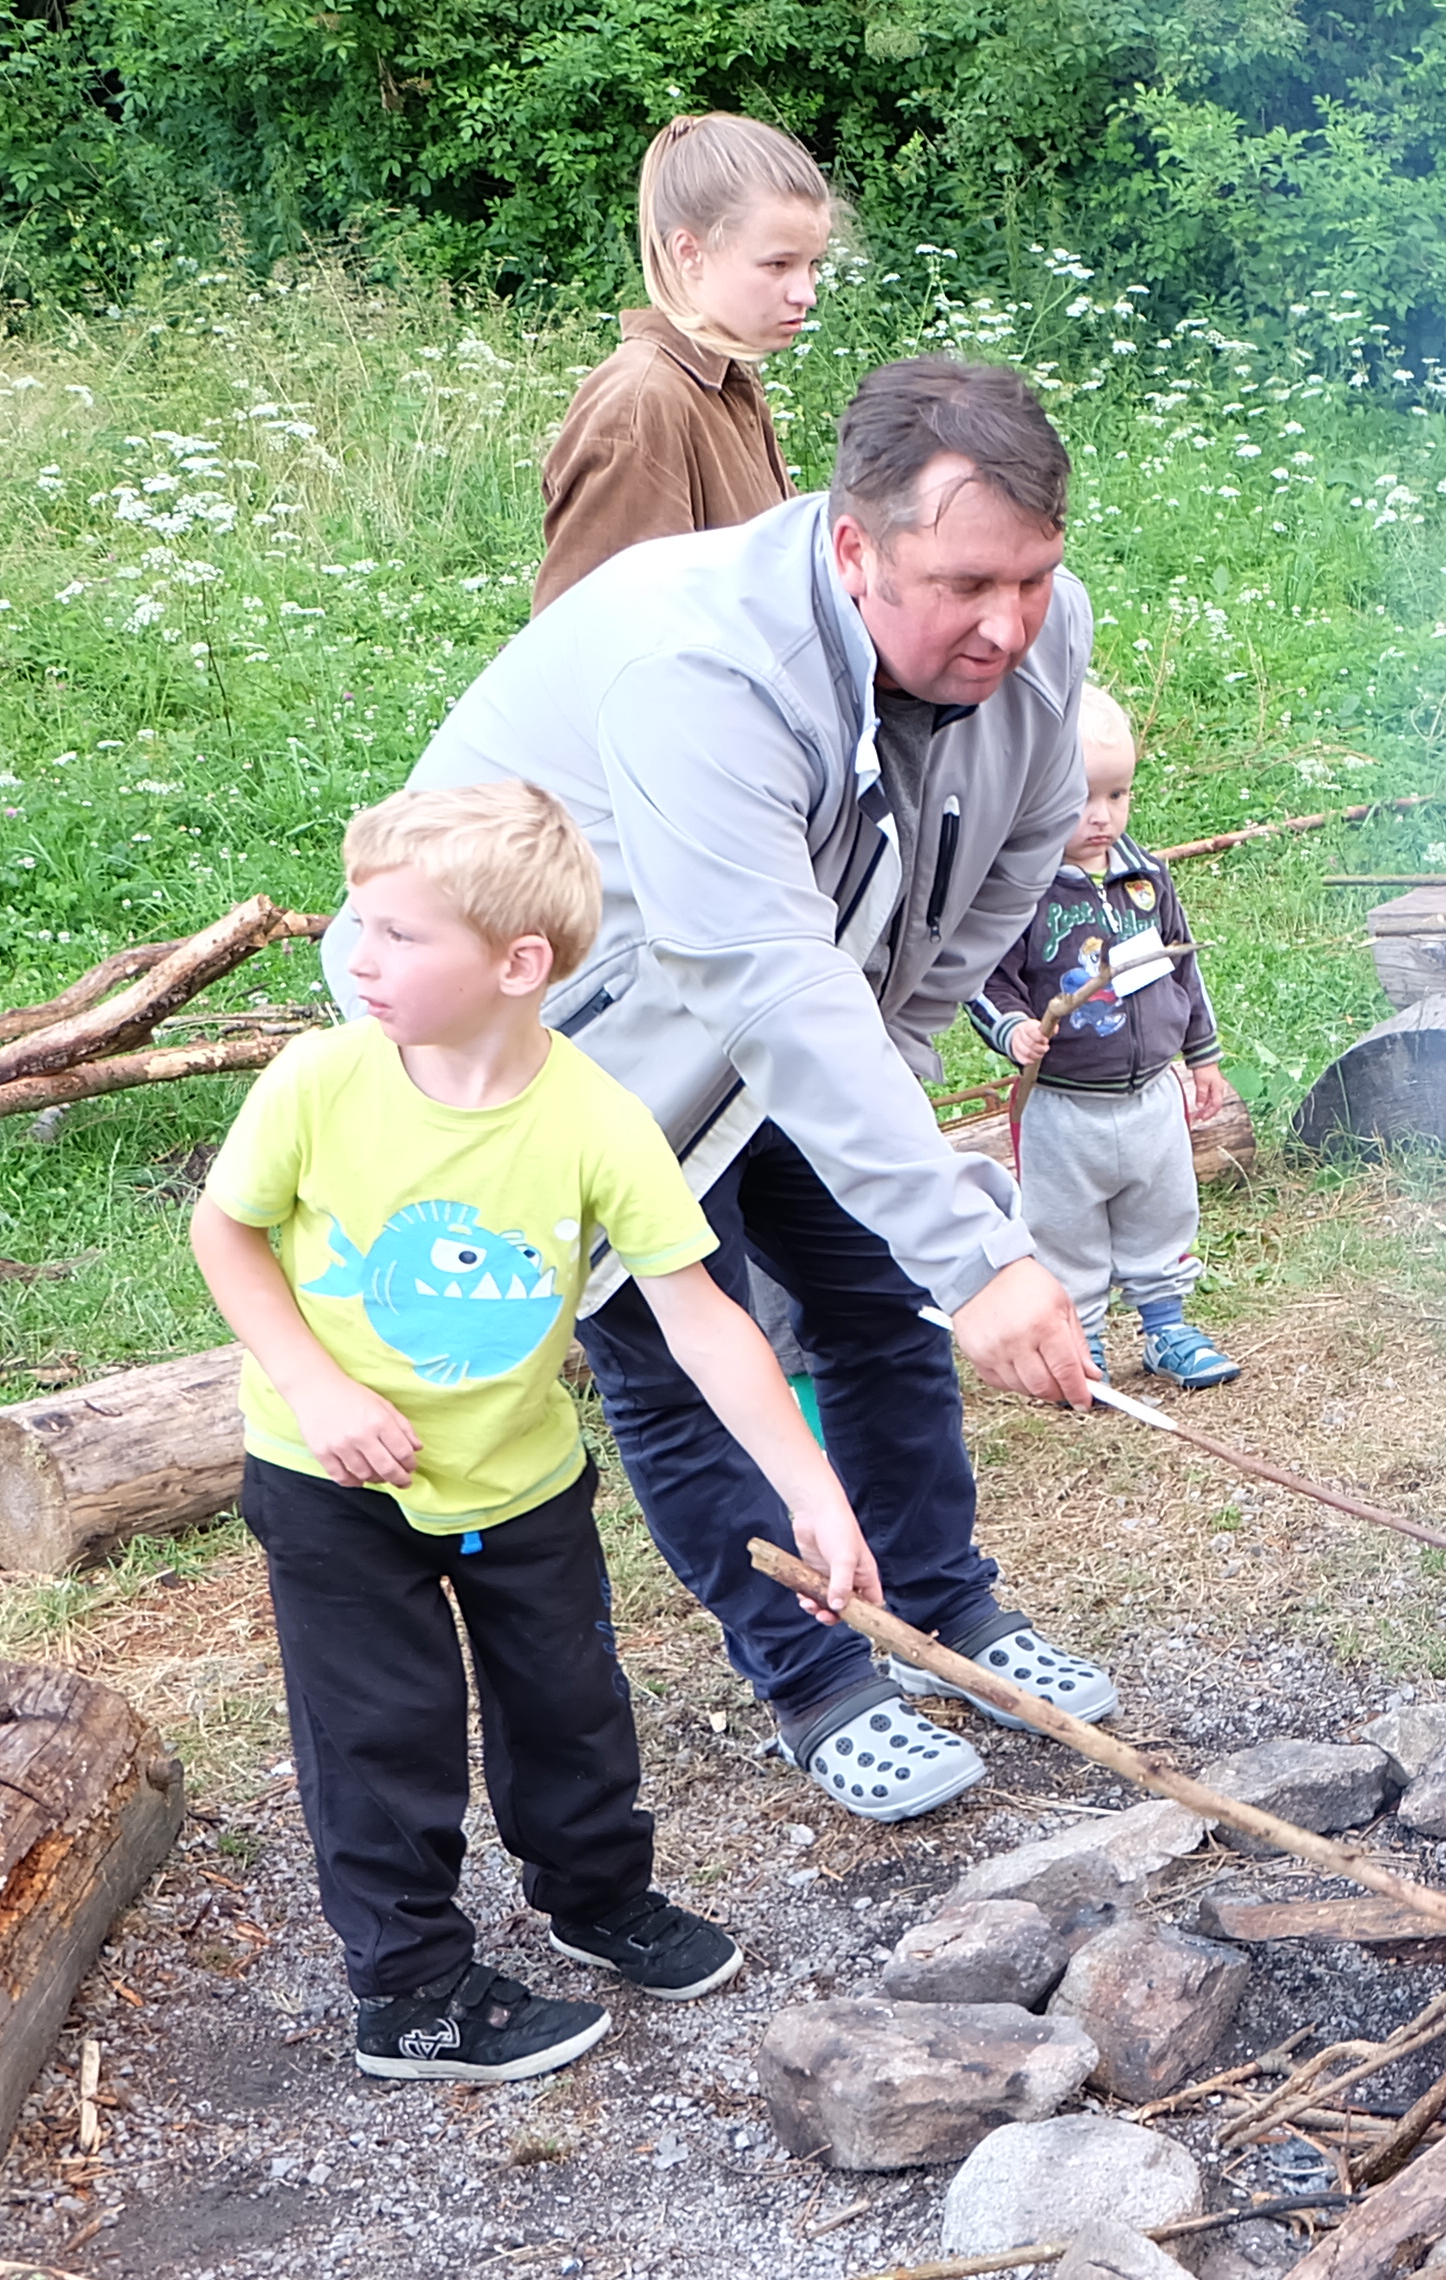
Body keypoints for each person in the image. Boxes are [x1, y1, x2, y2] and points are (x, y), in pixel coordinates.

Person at [342, 355, 1111, 1830]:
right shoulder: (697, 659)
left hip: (798, 992)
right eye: (963, 583)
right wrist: (983, 1252)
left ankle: (943, 1607)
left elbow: (1008, 856)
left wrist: (897, 1064)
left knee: (880, 1295)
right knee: (683, 1344)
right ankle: (818, 1677)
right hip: (567, 1018)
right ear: (850, 543)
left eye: (1032, 576)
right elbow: (753, 975)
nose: (1007, 625)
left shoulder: (1034, 632)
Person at [196, 785, 880, 2082]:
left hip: (521, 1478)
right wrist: (317, 1386)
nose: (359, 958)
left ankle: (596, 1896)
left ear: (519, 966)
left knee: (572, 1705)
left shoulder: (595, 1116)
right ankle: (414, 1994)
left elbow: (701, 1312)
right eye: (360, 925)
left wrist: (809, 1488)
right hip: (332, 1476)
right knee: (383, 1727)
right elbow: (224, 1233)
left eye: (401, 936)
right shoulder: (321, 1079)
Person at [967, 684, 1244, 1389]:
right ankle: (1081, 1339)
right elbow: (979, 979)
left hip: (1151, 1093)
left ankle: (1166, 1327)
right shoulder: (1018, 891)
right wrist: (1015, 1029)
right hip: (1066, 1104)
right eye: (1081, 800)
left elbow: (1183, 966)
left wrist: (1202, 1059)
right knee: (1066, 1226)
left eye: (1117, 796)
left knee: (1164, 1208)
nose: (1102, 817)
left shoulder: (1147, 878)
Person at [532, 114, 837, 611]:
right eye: (778, 264)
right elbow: (601, 649)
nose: (806, 293)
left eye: (813, 264)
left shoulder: (727, 379)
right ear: (689, 253)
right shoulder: (639, 407)